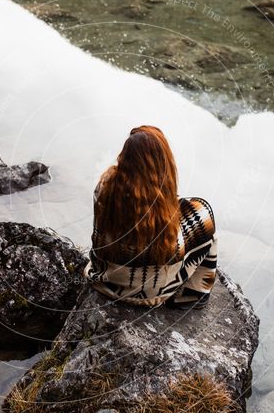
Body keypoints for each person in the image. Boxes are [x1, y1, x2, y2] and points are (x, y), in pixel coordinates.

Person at [85, 125, 217, 307]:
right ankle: (194, 294)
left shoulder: (104, 188)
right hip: (153, 294)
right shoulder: (163, 208)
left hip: (106, 283)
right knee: (203, 213)